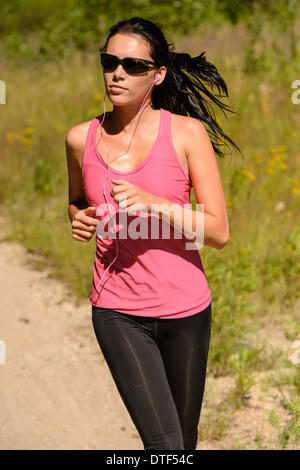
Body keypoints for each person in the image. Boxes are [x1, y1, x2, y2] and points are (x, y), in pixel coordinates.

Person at [66, 17, 240, 450]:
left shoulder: (186, 134)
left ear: (158, 74)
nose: (117, 73)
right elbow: (77, 201)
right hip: (117, 310)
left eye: (133, 65)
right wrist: (79, 217)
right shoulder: (78, 138)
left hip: (186, 310)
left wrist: (156, 203)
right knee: (165, 447)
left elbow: (218, 232)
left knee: (184, 444)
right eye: (109, 62)